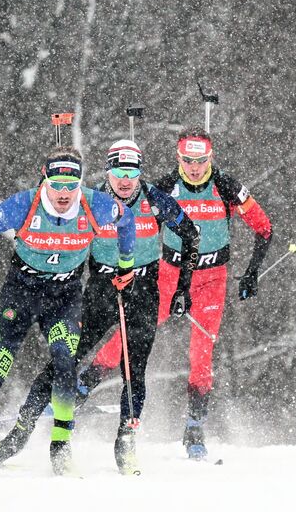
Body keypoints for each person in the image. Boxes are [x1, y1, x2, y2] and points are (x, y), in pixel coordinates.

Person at [0, 138, 199, 475]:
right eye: (118, 171)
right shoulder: (90, 202)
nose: (125, 180)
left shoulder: (155, 201)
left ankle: (126, 441)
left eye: (132, 172)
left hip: (142, 291)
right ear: (108, 171)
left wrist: (182, 288)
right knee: (63, 361)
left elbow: (191, 234)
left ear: (140, 173)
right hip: (100, 289)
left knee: (134, 371)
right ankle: (20, 431)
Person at [0, 147, 135, 478]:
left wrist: (126, 265)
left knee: (65, 364)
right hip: (22, 293)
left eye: (72, 185)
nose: (64, 193)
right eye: (57, 184)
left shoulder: (96, 204)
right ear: (45, 179)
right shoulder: (25, 204)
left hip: (64, 296)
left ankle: (61, 447)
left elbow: (128, 221)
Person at [88, 129, 273, 459]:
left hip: (213, 279)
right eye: (188, 161)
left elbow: (264, 228)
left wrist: (252, 272)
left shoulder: (227, 187)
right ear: (179, 158)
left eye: (201, 161)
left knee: (202, 353)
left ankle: (194, 427)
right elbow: (132, 220)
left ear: (210, 158)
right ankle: (82, 387)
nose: (195, 168)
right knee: (130, 335)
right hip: (168, 275)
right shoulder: (163, 187)